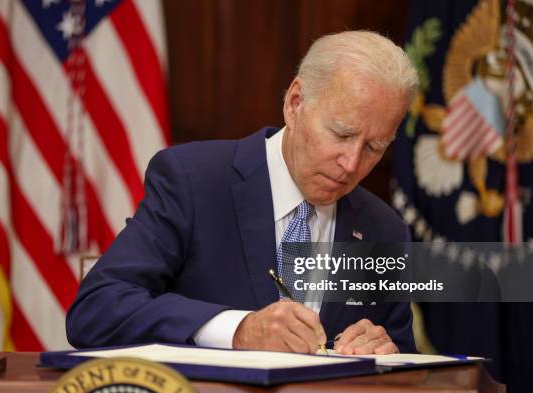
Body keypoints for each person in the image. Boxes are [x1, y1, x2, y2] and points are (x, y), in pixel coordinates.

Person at [66, 31, 419, 355]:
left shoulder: (383, 230)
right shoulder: (193, 181)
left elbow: (409, 368)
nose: (352, 163)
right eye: (341, 134)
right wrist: (237, 329)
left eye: (374, 147)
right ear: (295, 103)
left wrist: (384, 350)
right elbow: (96, 311)